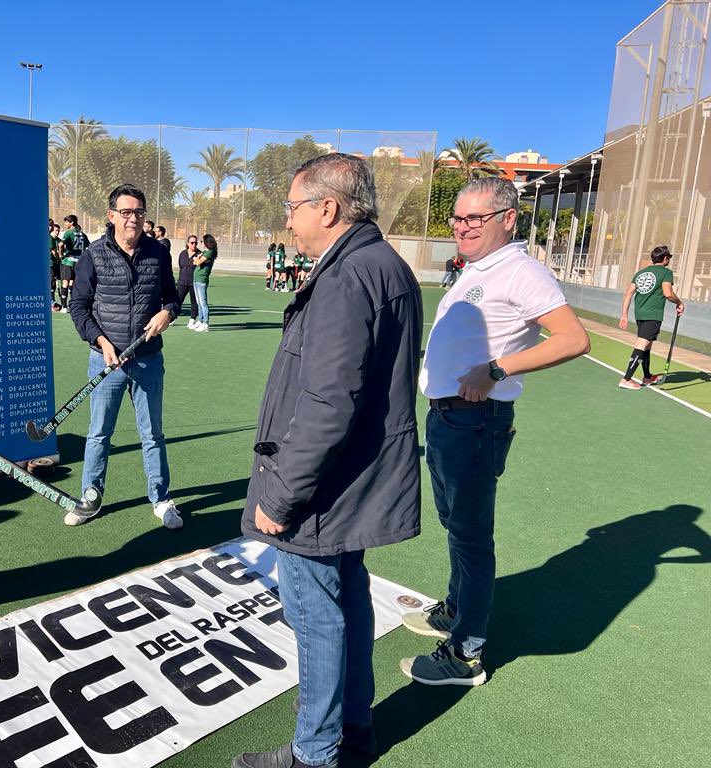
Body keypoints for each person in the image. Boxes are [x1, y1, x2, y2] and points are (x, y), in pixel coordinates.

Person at [234, 153, 423, 768]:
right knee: (349, 601)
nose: (287, 222)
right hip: (354, 483)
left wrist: (280, 495)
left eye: (292, 208)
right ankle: (354, 730)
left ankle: (315, 754)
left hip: (323, 493)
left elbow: (327, 402)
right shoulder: (385, 265)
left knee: (316, 616)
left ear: (328, 207)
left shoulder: (346, 276)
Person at [404, 177, 589, 686]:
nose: (462, 227)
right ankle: (457, 608)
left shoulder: (521, 271)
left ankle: (465, 653)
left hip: (475, 421)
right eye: (458, 218)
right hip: (448, 417)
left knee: (471, 535)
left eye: (474, 219)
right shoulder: (478, 268)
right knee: (456, 525)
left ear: (508, 218)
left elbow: (574, 338)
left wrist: (497, 369)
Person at [68, 183, 182, 529]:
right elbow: (79, 306)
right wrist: (101, 342)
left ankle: (161, 499)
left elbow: (172, 298)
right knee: (99, 433)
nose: (134, 219)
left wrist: (169, 313)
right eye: (127, 212)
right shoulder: (94, 254)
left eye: (140, 213)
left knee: (152, 434)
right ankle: (90, 496)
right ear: (112, 215)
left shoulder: (158, 253)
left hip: (148, 358)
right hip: (106, 360)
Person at [617, 245, 684, 389]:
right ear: (665, 259)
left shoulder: (641, 273)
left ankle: (647, 377)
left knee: (647, 345)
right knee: (641, 345)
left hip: (640, 314)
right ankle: (626, 379)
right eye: (669, 258)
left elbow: (628, 294)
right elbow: (668, 293)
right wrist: (679, 302)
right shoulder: (666, 273)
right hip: (653, 315)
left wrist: (624, 314)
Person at [59, 214, 89, 313]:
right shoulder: (83, 234)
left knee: (65, 282)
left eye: (67, 222)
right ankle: (73, 306)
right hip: (79, 261)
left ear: (72, 223)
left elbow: (61, 244)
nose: (65, 224)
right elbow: (88, 246)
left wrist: (61, 254)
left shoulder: (68, 233)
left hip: (68, 261)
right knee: (73, 283)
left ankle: (64, 306)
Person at [191, 233, 217, 332]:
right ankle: (200, 321)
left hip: (202, 280)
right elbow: (195, 262)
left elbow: (196, 262)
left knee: (203, 302)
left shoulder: (209, 252)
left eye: (202, 241)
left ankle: (206, 323)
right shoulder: (205, 252)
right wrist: (198, 258)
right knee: (198, 302)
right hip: (196, 279)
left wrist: (197, 258)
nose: (200, 243)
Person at [177, 234, 200, 329]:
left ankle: (192, 319)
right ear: (187, 243)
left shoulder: (199, 254)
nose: (194, 245)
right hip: (182, 281)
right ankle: (173, 317)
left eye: (196, 243)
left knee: (194, 301)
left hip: (193, 282)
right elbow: (180, 265)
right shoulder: (183, 253)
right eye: (192, 243)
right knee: (178, 300)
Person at [49, 222, 62, 311]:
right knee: (52, 283)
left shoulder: (60, 240)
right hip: (50, 264)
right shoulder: (49, 239)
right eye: (56, 230)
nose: (57, 232)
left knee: (61, 283)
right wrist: (58, 257)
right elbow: (54, 252)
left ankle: (63, 302)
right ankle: (52, 302)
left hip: (58, 264)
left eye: (58, 231)